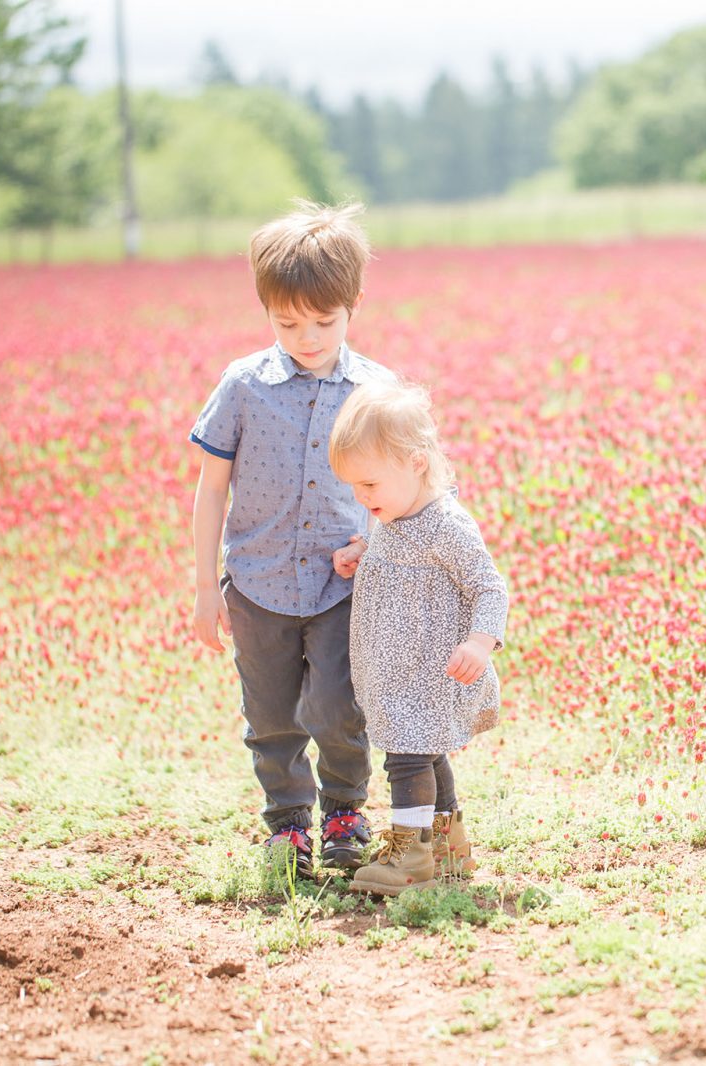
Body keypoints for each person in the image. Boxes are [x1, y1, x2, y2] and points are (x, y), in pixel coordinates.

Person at [189, 201, 393, 877]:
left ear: (354, 304)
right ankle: (287, 824)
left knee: (338, 705)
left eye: (323, 321)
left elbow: (401, 496)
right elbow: (211, 487)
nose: (306, 336)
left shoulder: (373, 391)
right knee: (272, 714)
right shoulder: (243, 386)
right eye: (287, 322)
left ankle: (343, 811)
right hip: (257, 583)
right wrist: (202, 590)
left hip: (341, 586)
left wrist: (375, 544)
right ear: (267, 310)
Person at [327, 380, 508, 895]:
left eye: (369, 485)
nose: (362, 498)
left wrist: (479, 642)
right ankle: (451, 849)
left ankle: (411, 853)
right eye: (354, 488)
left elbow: (489, 588)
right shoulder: (394, 512)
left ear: (415, 463)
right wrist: (361, 549)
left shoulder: (447, 525)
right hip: (396, 672)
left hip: (428, 674)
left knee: (408, 758)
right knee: (428, 755)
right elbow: (390, 545)